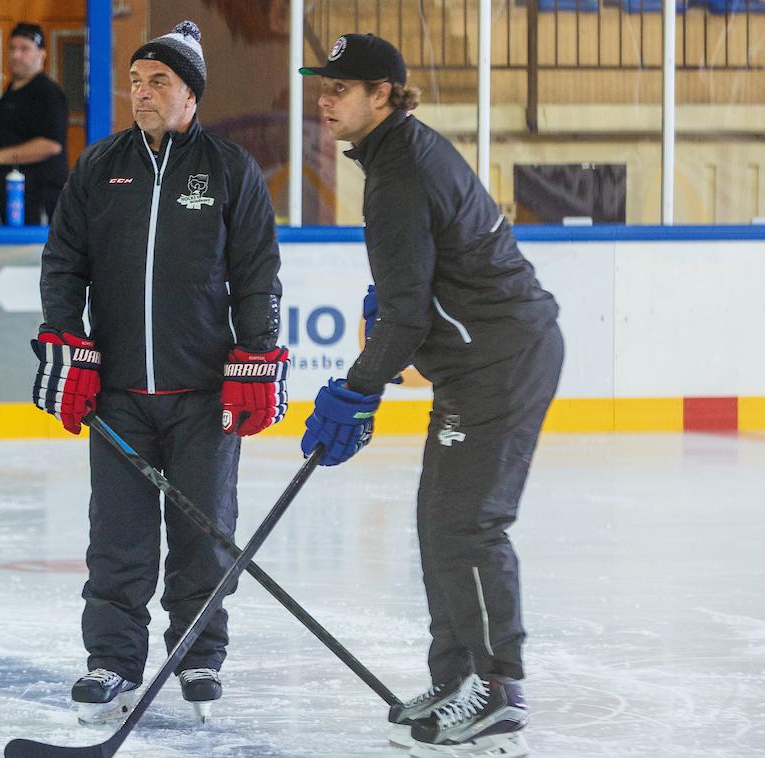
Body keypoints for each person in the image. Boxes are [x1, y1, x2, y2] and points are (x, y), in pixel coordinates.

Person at [298, 34, 563, 758]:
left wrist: (354, 392)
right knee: (439, 522)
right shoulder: (395, 157)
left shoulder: (401, 171)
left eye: (341, 88)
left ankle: (499, 691)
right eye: (322, 85)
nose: (325, 99)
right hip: (476, 361)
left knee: (469, 526)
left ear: (383, 93)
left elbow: (409, 317)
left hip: (501, 359)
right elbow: (411, 291)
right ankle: (457, 680)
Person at [30, 20, 288, 725]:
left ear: (190, 96)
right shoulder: (98, 166)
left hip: (203, 395)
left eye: (159, 83)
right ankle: (112, 661)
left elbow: (257, 273)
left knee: (204, 534)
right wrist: (66, 339)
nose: (142, 94)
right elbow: (64, 262)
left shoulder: (230, 170)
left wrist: (256, 354)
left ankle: (199, 655)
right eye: (137, 82)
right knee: (118, 538)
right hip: (118, 396)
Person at [0, 22, 68, 224]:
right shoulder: (10, 93)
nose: (16, 55)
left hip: (33, 203)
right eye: (12, 48)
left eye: (24, 49)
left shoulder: (47, 93)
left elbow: (50, 145)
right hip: (3, 202)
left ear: (41, 54)